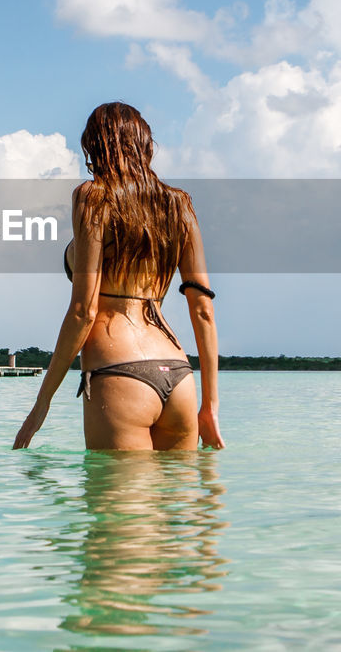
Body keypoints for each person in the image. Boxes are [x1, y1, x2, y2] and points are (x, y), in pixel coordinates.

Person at [13, 102, 224, 451]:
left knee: (116, 508)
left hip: (119, 371)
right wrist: (210, 407)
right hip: (179, 375)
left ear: (94, 146)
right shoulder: (180, 205)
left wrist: (42, 403)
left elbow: (84, 311)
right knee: (176, 507)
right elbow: (203, 310)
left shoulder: (92, 198)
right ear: (145, 146)